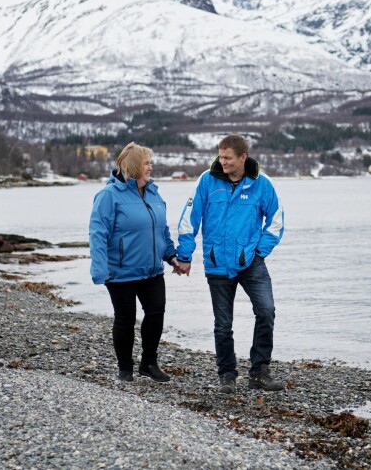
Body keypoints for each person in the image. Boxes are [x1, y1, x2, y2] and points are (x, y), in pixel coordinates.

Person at [175, 134, 285, 393]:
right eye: (220, 156)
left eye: (228, 157)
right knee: (223, 324)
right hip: (217, 263)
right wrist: (185, 256)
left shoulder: (262, 183)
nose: (222, 162)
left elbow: (276, 220)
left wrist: (259, 252)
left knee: (266, 311)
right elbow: (189, 220)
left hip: (251, 263)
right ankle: (227, 374)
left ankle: (259, 372)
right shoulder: (207, 180)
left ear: (243, 157)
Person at [89, 142, 181, 383]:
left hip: (152, 271)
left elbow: (161, 230)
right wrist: (100, 269)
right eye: (146, 163)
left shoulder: (153, 193)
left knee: (156, 314)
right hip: (121, 272)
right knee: (125, 318)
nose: (151, 167)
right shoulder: (109, 196)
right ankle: (125, 368)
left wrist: (171, 256)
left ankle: (148, 363)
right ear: (134, 166)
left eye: (151, 163)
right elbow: (98, 234)